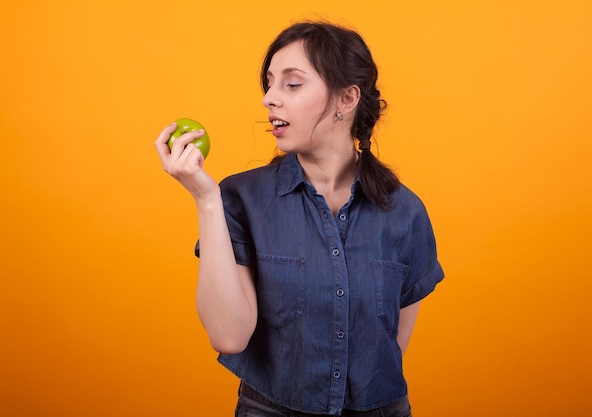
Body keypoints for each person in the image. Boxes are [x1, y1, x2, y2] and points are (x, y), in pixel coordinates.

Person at [155, 21, 444, 417]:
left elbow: (389, 348)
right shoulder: (240, 198)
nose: (269, 99)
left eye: (292, 85)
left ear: (346, 99)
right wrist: (206, 199)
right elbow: (228, 336)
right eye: (269, 84)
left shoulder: (405, 212)